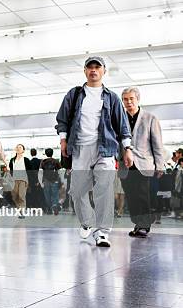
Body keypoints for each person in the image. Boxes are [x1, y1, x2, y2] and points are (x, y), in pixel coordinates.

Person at [56, 56, 133, 247]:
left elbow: (122, 126)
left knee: (104, 190)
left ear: (103, 71)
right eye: (89, 67)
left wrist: (128, 149)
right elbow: (63, 119)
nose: (93, 70)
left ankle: (102, 232)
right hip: (80, 149)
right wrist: (63, 140)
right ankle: (87, 221)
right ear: (84, 71)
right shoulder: (74, 95)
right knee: (76, 191)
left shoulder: (112, 97)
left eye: (97, 67)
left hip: (105, 149)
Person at [118, 87, 166, 238]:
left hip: (144, 164)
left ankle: (144, 225)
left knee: (142, 195)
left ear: (138, 99)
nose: (128, 102)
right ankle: (138, 224)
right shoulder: (119, 118)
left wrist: (160, 165)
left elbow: (157, 144)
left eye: (131, 98)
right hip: (125, 165)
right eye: (125, 99)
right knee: (131, 196)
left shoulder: (150, 118)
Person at [8, 144, 31, 218]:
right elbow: (11, 170)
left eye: (20, 147)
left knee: (21, 196)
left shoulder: (26, 160)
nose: (18, 148)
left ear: (23, 150)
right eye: (17, 147)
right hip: (14, 180)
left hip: (23, 180)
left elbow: (30, 171)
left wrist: (30, 181)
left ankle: (22, 212)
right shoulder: (12, 160)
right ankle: (19, 209)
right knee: (14, 197)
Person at [39, 148, 62, 215]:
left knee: (47, 195)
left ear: (46, 154)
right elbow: (60, 172)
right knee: (55, 195)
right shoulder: (56, 161)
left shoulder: (43, 162)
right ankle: (54, 206)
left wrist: (41, 182)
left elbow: (40, 173)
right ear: (52, 153)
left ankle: (49, 209)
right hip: (55, 180)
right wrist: (60, 180)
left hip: (46, 181)